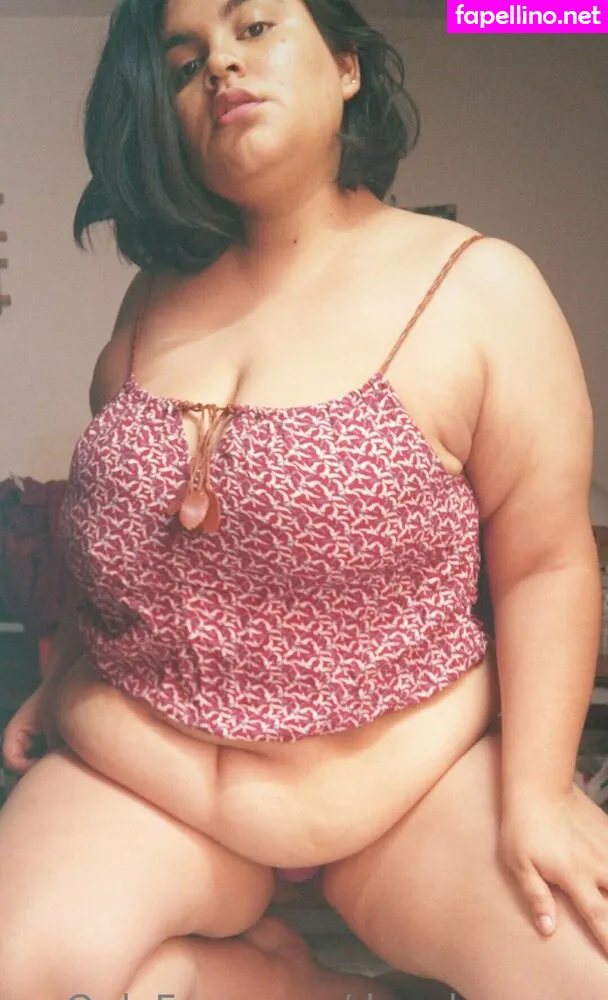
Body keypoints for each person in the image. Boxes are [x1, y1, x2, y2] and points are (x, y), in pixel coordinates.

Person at [1, 0, 607, 997]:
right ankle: (286, 984)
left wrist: (540, 792)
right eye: (184, 60)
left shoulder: (479, 287)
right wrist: (60, 666)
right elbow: (127, 538)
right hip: (146, 778)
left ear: (348, 65)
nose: (219, 68)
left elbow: (545, 561)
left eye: (253, 28)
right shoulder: (147, 299)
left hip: (409, 791)